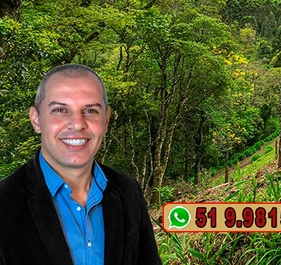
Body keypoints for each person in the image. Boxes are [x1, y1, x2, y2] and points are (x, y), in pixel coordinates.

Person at [0, 64, 162, 265]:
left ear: (106, 121)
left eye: (91, 110)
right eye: (60, 110)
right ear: (36, 119)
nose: (77, 124)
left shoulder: (128, 192)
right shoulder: (4, 202)